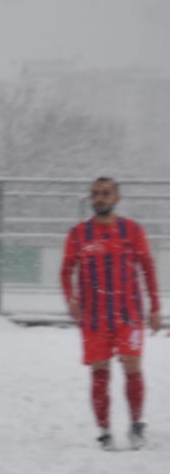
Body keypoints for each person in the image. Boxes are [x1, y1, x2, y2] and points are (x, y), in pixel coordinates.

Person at [60, 176, 161, 450]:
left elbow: (148, 268)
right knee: (100, 371)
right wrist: (71, 299)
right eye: (95, 194)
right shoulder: (79, 234)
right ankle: (104, 431)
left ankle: (136, 424)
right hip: (94, 317)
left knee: (132, 365)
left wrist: (155, 307)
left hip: (129, 314)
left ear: (116, 198)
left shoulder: (132, 231)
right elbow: (66, 271)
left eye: (105, 193)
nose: (100, 198)